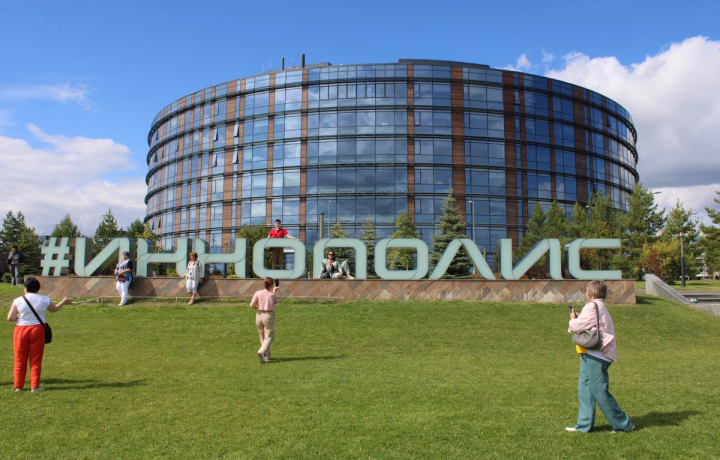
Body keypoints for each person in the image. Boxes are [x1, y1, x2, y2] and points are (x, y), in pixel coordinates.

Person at [566, 280, 635, 433]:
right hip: (592, 353)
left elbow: (576, 326)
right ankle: (584, 425)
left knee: (598, 390)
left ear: (590, 292)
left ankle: (624, 424)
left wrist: (573, 318)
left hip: (597, 354)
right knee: (585, 388)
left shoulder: (592, 306)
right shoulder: (599, 306)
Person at [7, 277, 72, 392]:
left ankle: (18, 386)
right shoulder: (44, 299)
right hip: (37, 329)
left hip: (21, 329)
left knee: (19, 358)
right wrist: (63, 302)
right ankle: (35, 386)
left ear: (25, 288)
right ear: (38, 288)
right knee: (35, 358)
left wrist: (20, 317)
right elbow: (54, 309)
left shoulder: (18, 300)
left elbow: (10, 318)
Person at [250, 277, 280, 363]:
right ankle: (262, 351)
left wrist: (257, 307)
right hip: (268, 315)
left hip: (259, 314)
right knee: (270, 337)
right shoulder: (272, 294)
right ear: (272, 284)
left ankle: (266, 356)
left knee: (262, 336)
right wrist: (274, 290)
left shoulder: (258, 293)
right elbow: (275, 302)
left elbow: (251, 305)